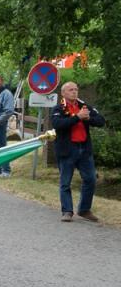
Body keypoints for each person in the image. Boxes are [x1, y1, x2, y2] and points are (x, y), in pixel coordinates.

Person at [51, 81, 106, 222]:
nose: (74, 92)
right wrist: (77, 117)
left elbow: (101, 120)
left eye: (76, 89)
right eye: (71, 90)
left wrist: (88, 118)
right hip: (67, 150)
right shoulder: (58, 108)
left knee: (90, 179)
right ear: (63, 93)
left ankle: (84, 209)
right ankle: (67, 211)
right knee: (65, 182)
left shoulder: (84, 106)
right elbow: (57, 124)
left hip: (84, 149)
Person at [0, 75, 15, 177]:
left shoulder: (7, 94)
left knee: (2, 147)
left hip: (0, 124)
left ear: (2, 82)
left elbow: (9, 111)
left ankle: (6, 171)